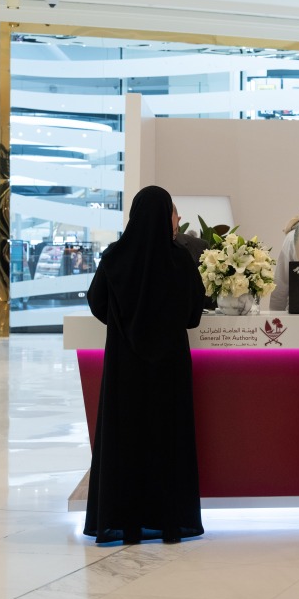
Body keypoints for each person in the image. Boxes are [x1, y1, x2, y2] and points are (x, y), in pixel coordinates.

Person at [83, 185, 206, 545]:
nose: (178, 219)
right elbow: (193, 317)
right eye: (173, 212)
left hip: (125, 368)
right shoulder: (180, 260)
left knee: (126, 441)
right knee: (168, 440)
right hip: (169, 368)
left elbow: (97, 302)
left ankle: (126, 524)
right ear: (163, 216)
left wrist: (125, 324)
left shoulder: (115, 257)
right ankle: (168, 522)